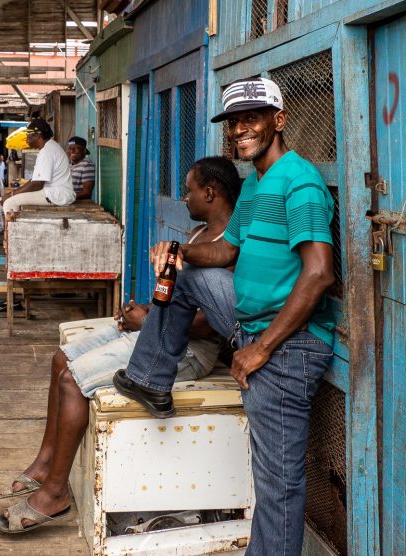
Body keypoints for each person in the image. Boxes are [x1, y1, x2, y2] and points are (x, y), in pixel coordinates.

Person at [112, 77, 335, 555]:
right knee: (186, 272)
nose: (240, 130)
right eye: (234, 123)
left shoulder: (300, 181)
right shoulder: (254, 184)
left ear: (279, 120)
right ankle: (150, 379)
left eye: (251, 119)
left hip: (288, 343)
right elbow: (225, 251)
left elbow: (318, 274)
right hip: (251, 321)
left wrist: (261, 349)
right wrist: (178, 251)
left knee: (278, 485)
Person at [0, 156, 242, 533]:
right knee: (60, 359)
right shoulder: (196, 236)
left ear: (209, 193)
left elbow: (211, 323)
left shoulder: (230, 248)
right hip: (159, 332)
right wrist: (145, 312)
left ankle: (56, 493)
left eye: (189, 191)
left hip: (188, 350)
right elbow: (175, 299)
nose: (184, 198)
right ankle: (45, 463)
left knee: (73, 380)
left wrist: (147, 321)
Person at [1, 118, 74, 217]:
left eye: (28, 134)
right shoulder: (50, 147)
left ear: (38, 135)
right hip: (57, 193)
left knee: (10, 202)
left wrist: (11, 194)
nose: (26, 137)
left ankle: (13, 227)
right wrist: (16, 192)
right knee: (15, 198)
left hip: (56, 195)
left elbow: (37, 184)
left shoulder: (47, 151)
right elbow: (35, 180)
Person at [66, 136, 95, 200]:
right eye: (70, 148)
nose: (72, 151)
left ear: (84, 150)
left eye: (76, 148)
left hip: (78, 202)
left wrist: (66, 197)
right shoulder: (69, 164)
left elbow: (86, 193)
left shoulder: (87, 165)